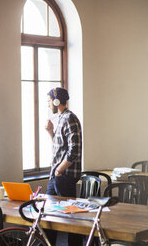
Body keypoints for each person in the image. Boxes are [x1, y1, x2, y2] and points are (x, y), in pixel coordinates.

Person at [45, 87, 82, 246]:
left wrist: (60, 170)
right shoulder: (59, 119)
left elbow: (74, 150)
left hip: (64, 176)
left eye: (48, 101)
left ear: (56, 101)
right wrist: (51, 133)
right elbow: (60, 148)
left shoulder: (69, 119)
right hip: (57, 175)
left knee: (70, 220)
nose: (48, 105)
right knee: (47, 216)